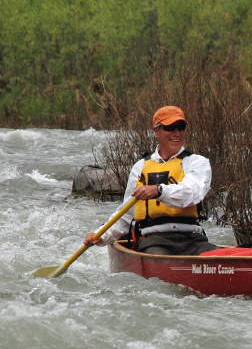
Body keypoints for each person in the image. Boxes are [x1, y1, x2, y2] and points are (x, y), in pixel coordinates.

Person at [85, 105, 218, 255]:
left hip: (193, 239)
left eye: (181, 127)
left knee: (216, 256)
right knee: (158, 255)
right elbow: (127, 213)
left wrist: (158, 191)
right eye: (170, 128)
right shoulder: (140, 167)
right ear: (156, 131)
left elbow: (193, 193)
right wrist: (101, 236)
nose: (177, 133)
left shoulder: (197, 162)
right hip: (153, 240)